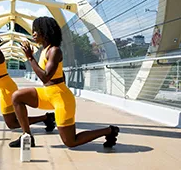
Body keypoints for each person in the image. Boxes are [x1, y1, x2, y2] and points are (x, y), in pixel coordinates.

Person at [9, 17, 120, 148]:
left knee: (70, 142)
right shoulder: (45, 50)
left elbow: (45, 77)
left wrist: (29, 57)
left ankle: (109, 130)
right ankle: (27, 136)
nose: (33, 33)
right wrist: (32, 57)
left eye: (36, 30)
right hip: (48, 93)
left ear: (45, 31)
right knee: (17, 96)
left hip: (60, 99)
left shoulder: (55, 50)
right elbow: (59, 75)